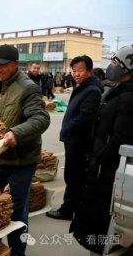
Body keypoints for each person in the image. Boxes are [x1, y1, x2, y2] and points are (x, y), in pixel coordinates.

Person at [0, 44, 50, 256]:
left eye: (3, 65)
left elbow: (41, 118)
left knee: (17, 210)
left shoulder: (28, 87)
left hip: (22, 160)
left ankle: (17, 252)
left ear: (15, 65)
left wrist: (16, 133)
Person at [71, 45, 133, 255]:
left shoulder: (127, 97)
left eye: (115, 62)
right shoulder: (116, 91)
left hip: (107, 171)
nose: (111, 66)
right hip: (100, 166)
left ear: (127, 67)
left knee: (101, 222)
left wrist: (98, 157)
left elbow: (119, 138)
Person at [46, 55, 102, 221]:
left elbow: (85, 117)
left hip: (79, 141)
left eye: (80, 70)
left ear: (90, 71)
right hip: (73, 139)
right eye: (74, 70)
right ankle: (75, 207)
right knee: (74, 175)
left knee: (73, 176)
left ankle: (68, 210)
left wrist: (68, 128)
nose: (76, 74)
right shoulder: (83, 86)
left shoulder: (92, 90)